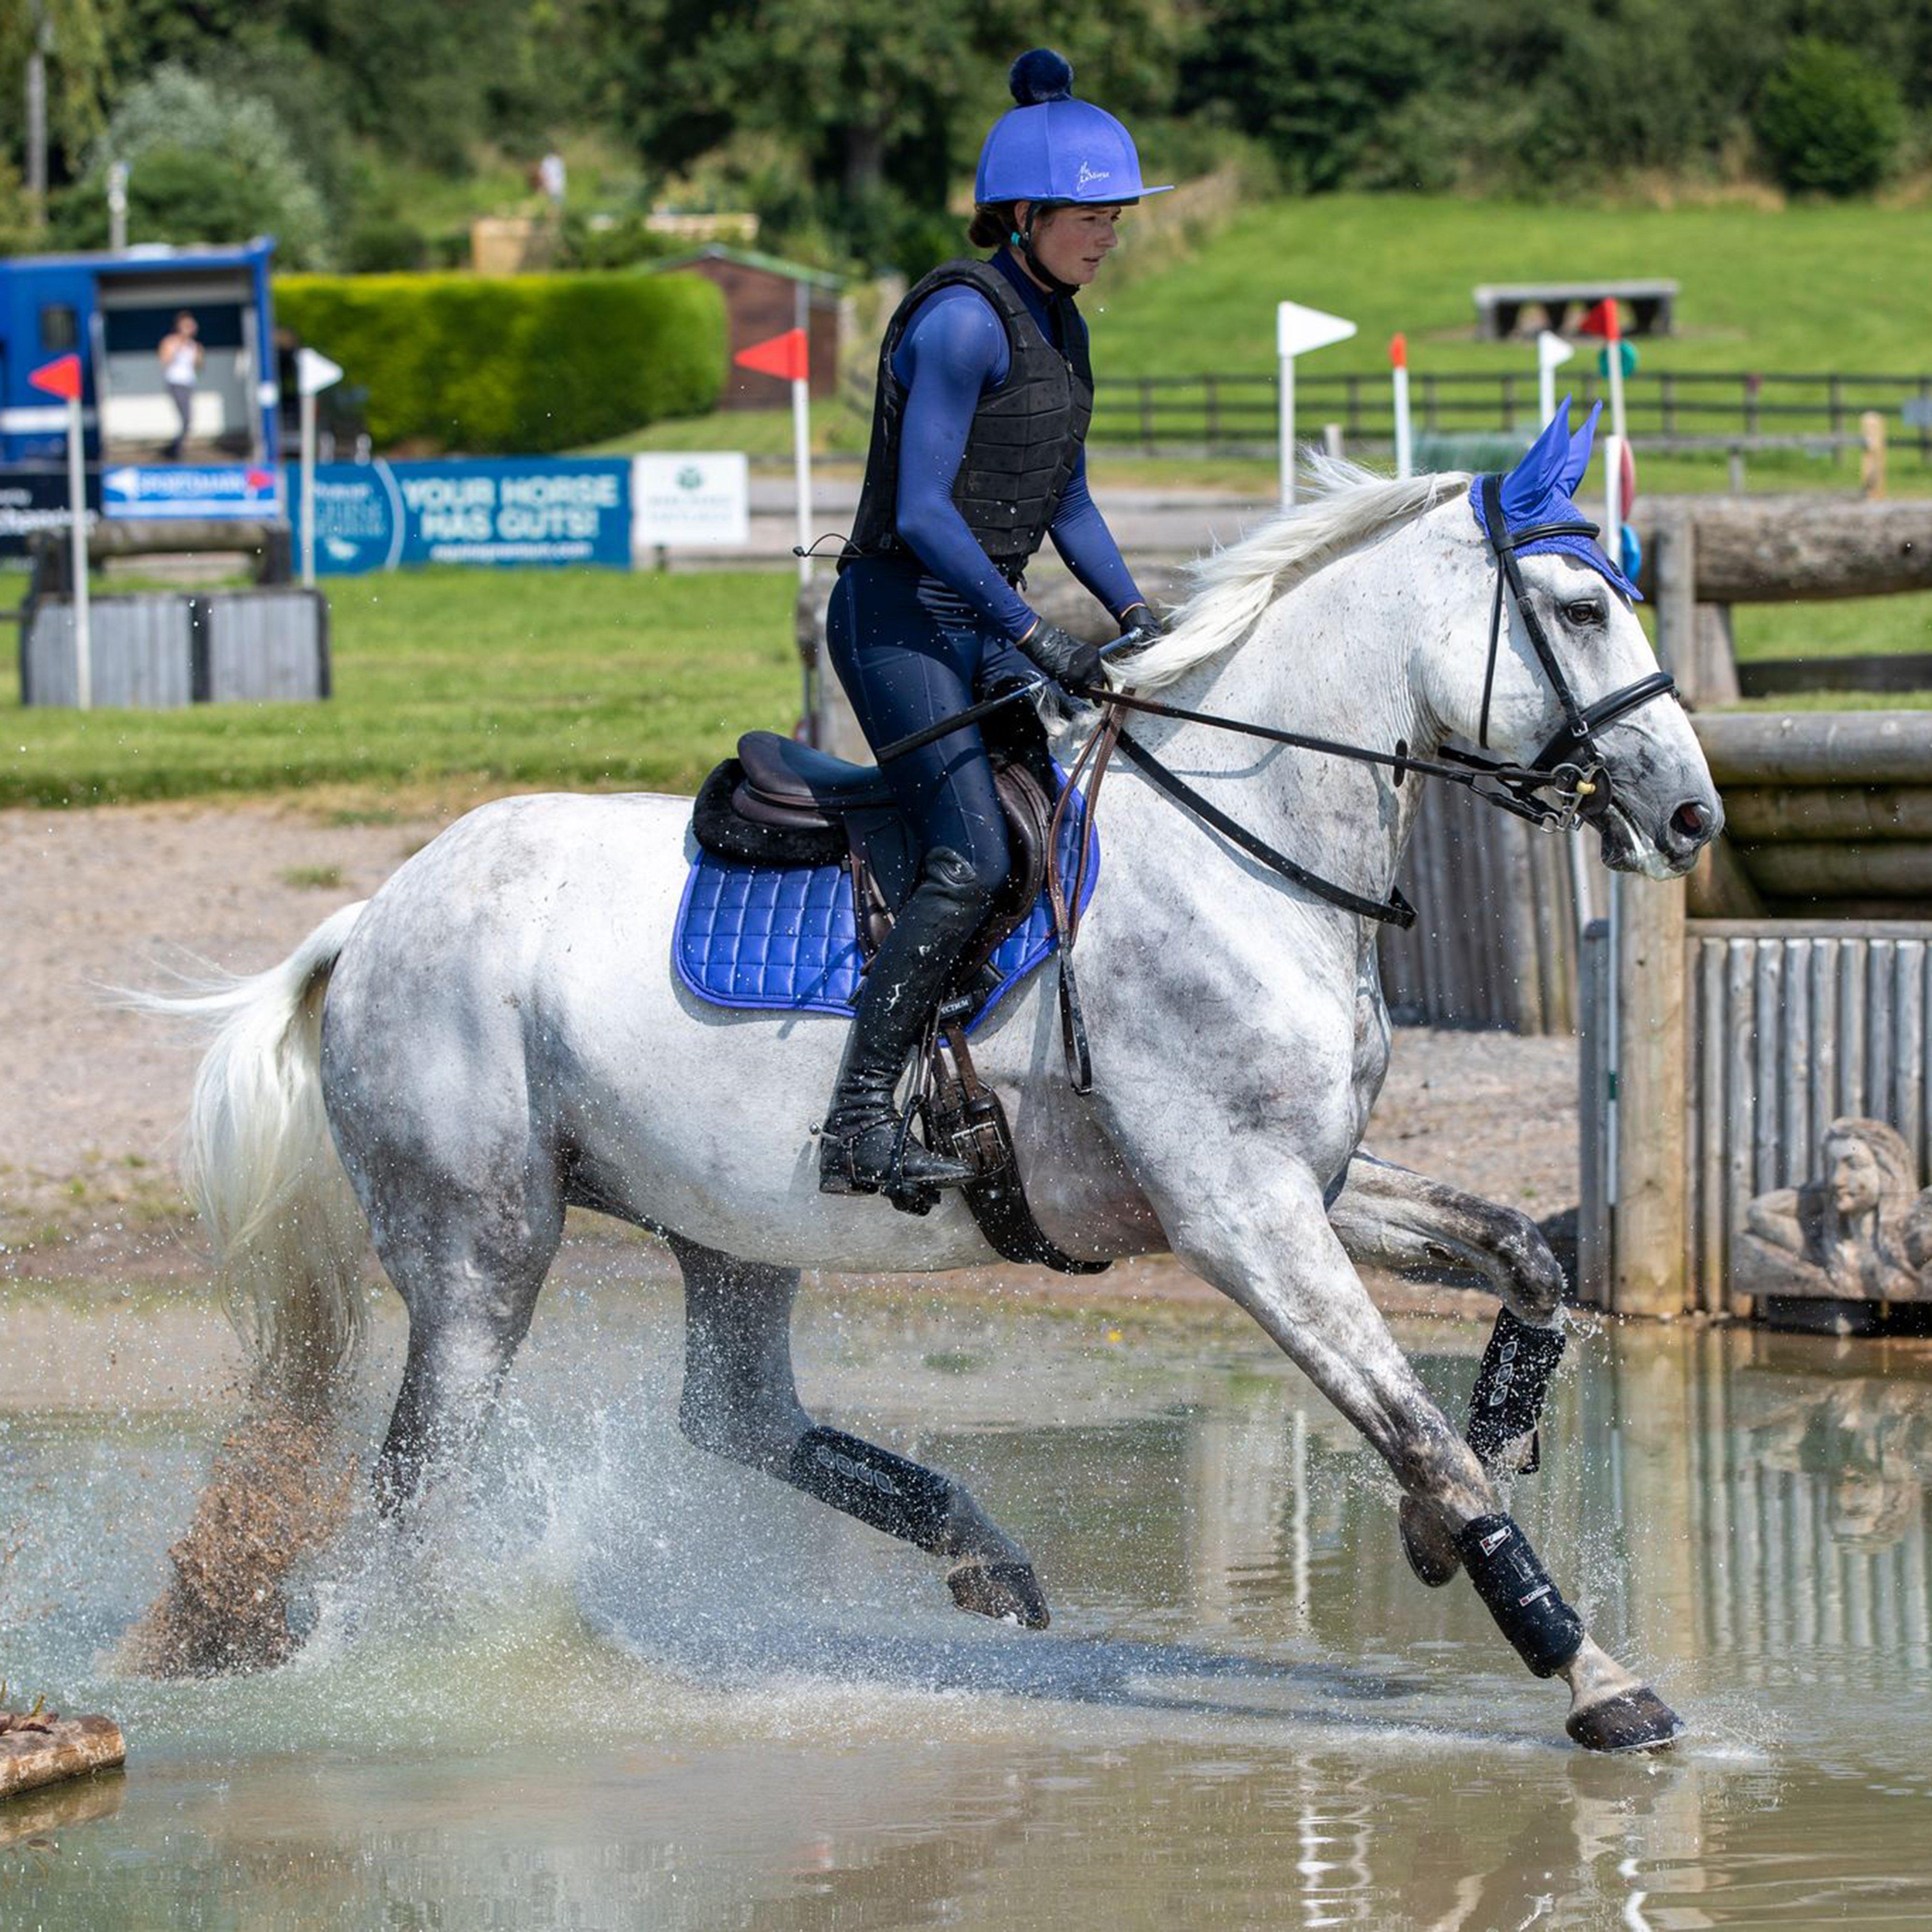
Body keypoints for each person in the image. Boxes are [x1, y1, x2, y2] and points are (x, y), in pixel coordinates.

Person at [816, 47, 1169, 1204]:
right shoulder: (962, 326)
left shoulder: (1062, 327)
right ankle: (858, 1118)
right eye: (1088, 214)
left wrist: (1132, 614)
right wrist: (1037, 636)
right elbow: (922, 513)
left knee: (1055, 833)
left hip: (966, 625)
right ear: (1023, 214)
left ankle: (980, 1062)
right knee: (971, 851)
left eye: (1114, 214)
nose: (1107, 233)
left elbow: (1063, 497)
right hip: (896, 625)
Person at [158, 311, 202, 461]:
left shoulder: (194, 346)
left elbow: (199, 366)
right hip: (175, 382)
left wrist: (198, 355)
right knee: (185, 418)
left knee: (189, 419)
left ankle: (177, 447)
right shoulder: (171, 342)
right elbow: (164, 360)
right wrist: (177, 350)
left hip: (188, 383)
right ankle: (174, 450)